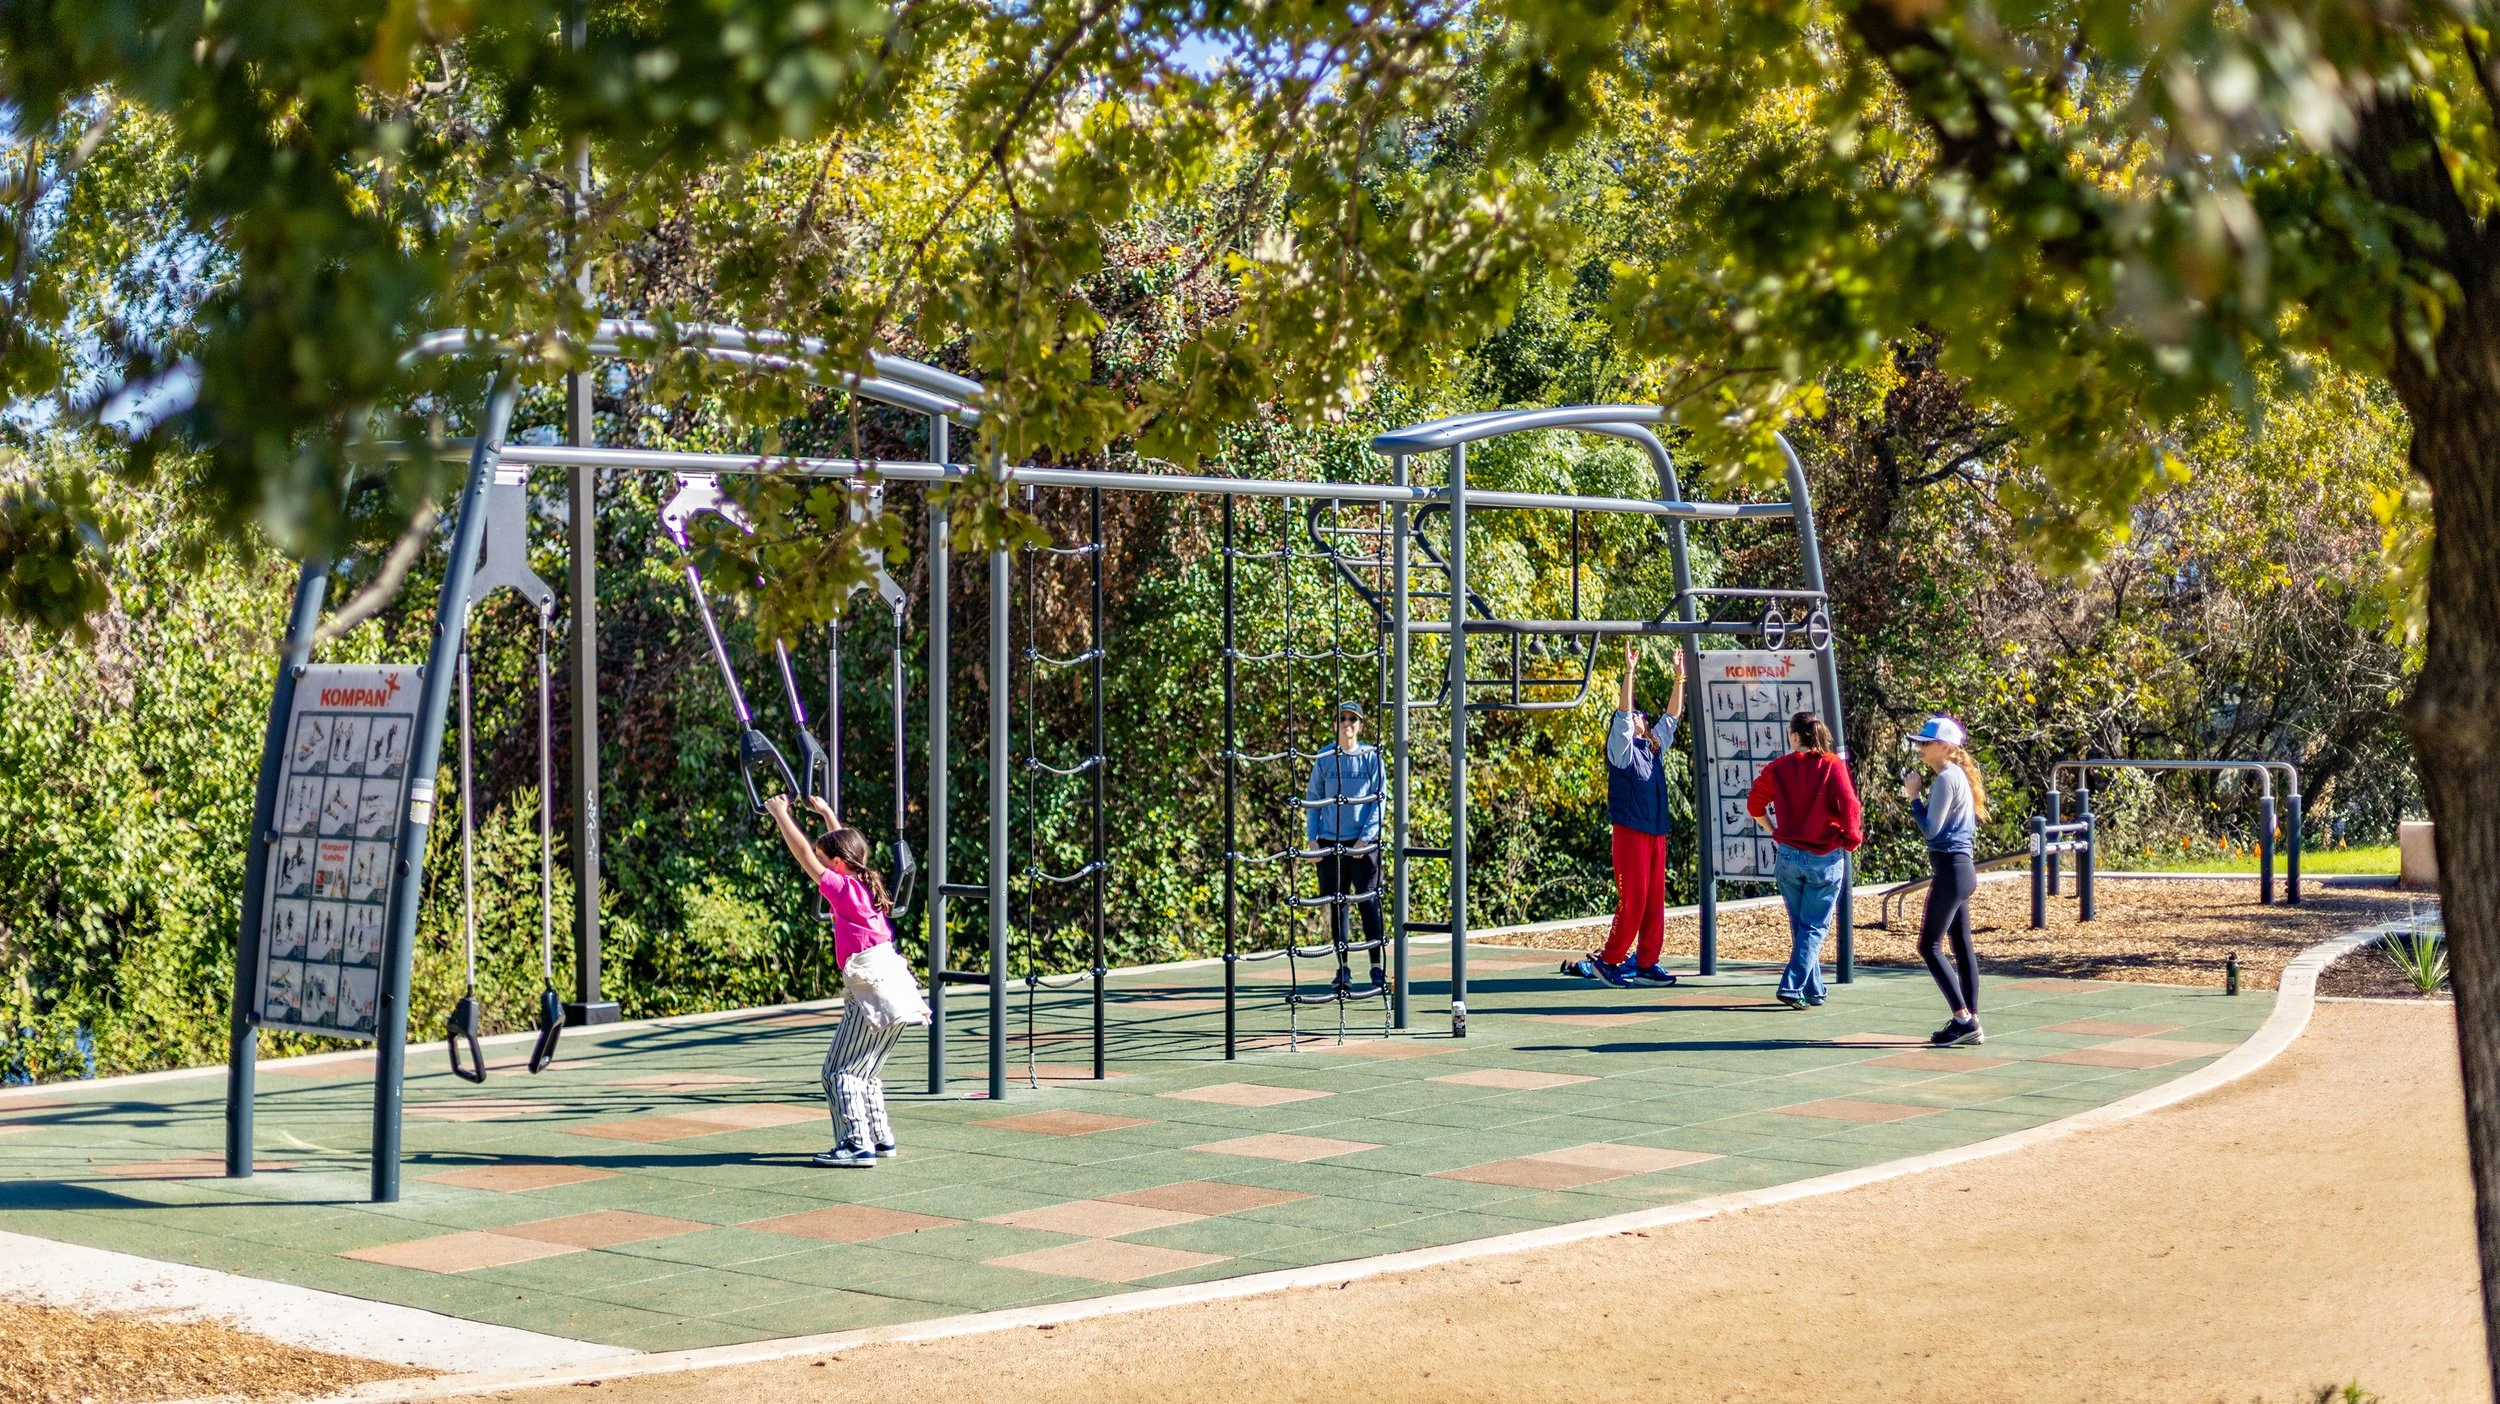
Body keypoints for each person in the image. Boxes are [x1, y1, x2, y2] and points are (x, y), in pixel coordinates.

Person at [764, 792, 922, 1167]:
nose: (819, 866)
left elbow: (804, 854)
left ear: (836, 864)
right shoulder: (864, 885)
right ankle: (879, 1137)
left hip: (873, 992)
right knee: (864, 1072)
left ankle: (855, 1144)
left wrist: (780, 814)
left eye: (826, 862)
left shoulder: (844, 888)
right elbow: (842, 851)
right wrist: (828, 815)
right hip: (896, 988)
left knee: (837, 1072)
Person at [1569, 637, 1686, 988]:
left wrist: (1679, 678)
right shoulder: (1621, 750)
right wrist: (1629, 673)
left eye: (1640, 717)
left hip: (1655, 832)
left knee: (1654, 903)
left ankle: (1648, 961)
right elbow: (1622, 713)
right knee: (1633, 900)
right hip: (1631, 831)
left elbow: (1672, 717)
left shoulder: (1652, 748)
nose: (1638, 718)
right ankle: (1610, 960)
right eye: (1636, 715)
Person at [1747, 711, 1864, 1009]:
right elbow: (1850, 804)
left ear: (1795, 736)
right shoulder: (1831, 765)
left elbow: (1754, 803)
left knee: (1801, 926)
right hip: (1824, 856)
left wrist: (1774, 831)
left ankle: (1814, 990)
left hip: (1788, 856)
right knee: (1814, 927)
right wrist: (1852, 838)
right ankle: (1791, 985)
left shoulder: (1780, 767)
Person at [1901, 715, 1990, 1045]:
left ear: (1945, 747)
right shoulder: (1956, 777)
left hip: (1952, 870)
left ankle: (1962, 1018)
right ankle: (1971, 1020)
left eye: (1926, 742)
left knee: (1928, 945)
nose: (1920, 747)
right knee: (1961, 945)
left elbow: (1930, 829)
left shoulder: (1945, 779)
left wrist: (1914, 797)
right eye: (1919, 742)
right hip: (1961, 870)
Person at [1304, 701, 1387, 995]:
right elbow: (1313, 798)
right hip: (1330, 843)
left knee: (1368, 903)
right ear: (1336, 723)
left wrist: (1366, 838)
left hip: (1364, 846)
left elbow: (1380, 799)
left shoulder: (1370, 757)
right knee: (1337, 905)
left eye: (1353, 718)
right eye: (1342, 718)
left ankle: (1377, 968)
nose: (1347, 723)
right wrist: (1312, 839)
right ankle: (1343, 969)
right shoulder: (1325, 757)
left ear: (1360, 725)